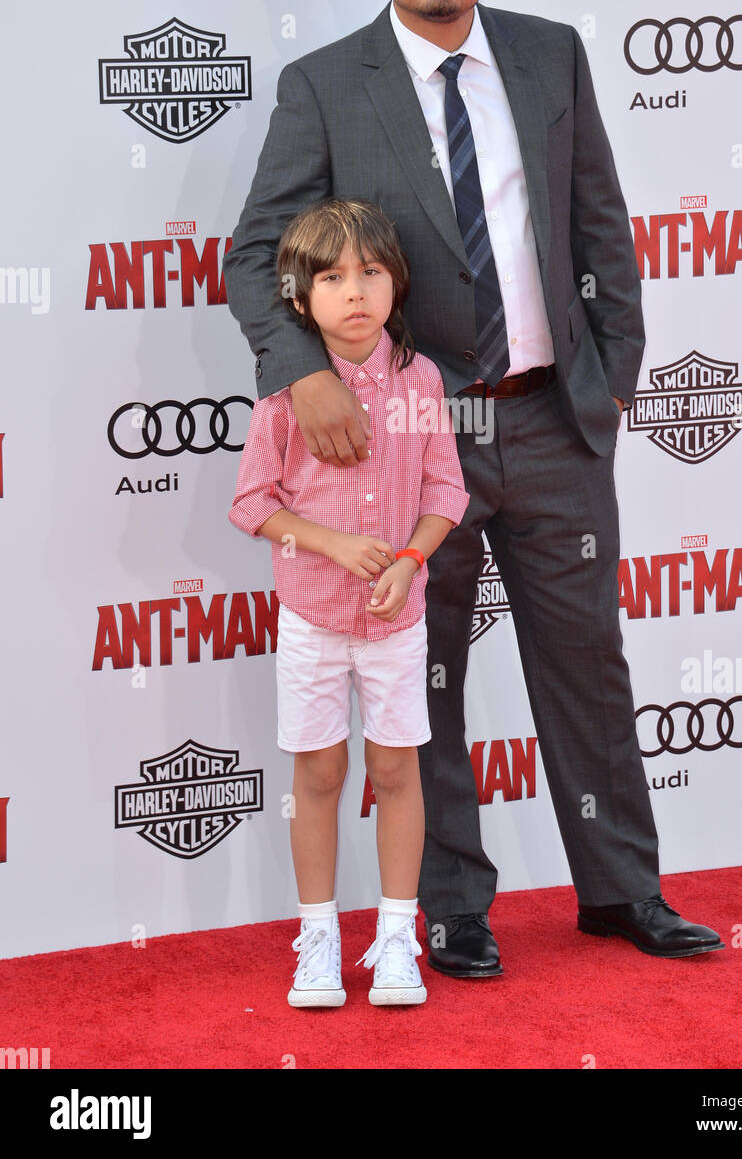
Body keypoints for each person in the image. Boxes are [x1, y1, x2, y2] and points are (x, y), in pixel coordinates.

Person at [223, 0, 723, 976]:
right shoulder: (325, 85)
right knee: (422, 676)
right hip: (408, 436)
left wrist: (611, 377)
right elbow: (257, 255)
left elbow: (601, 228)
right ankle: (446, 908)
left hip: (552, 418)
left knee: (588, 664)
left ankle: (620, 890)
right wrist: (303, 373)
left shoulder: (550, 60)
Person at [228, 198, 470, 1006]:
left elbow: (444, 489)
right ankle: (319, 940)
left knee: (397, 769)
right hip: (311, 618)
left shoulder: (422, 378)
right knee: (321, 772)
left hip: (396, 620)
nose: (354, 292)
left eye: (369, 273)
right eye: (331, 278)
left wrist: (408, 560)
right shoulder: (285, 393)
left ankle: (397, 938)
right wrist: (330, 544)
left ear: (396, 282)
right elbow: (253, 503)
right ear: (298, 298)